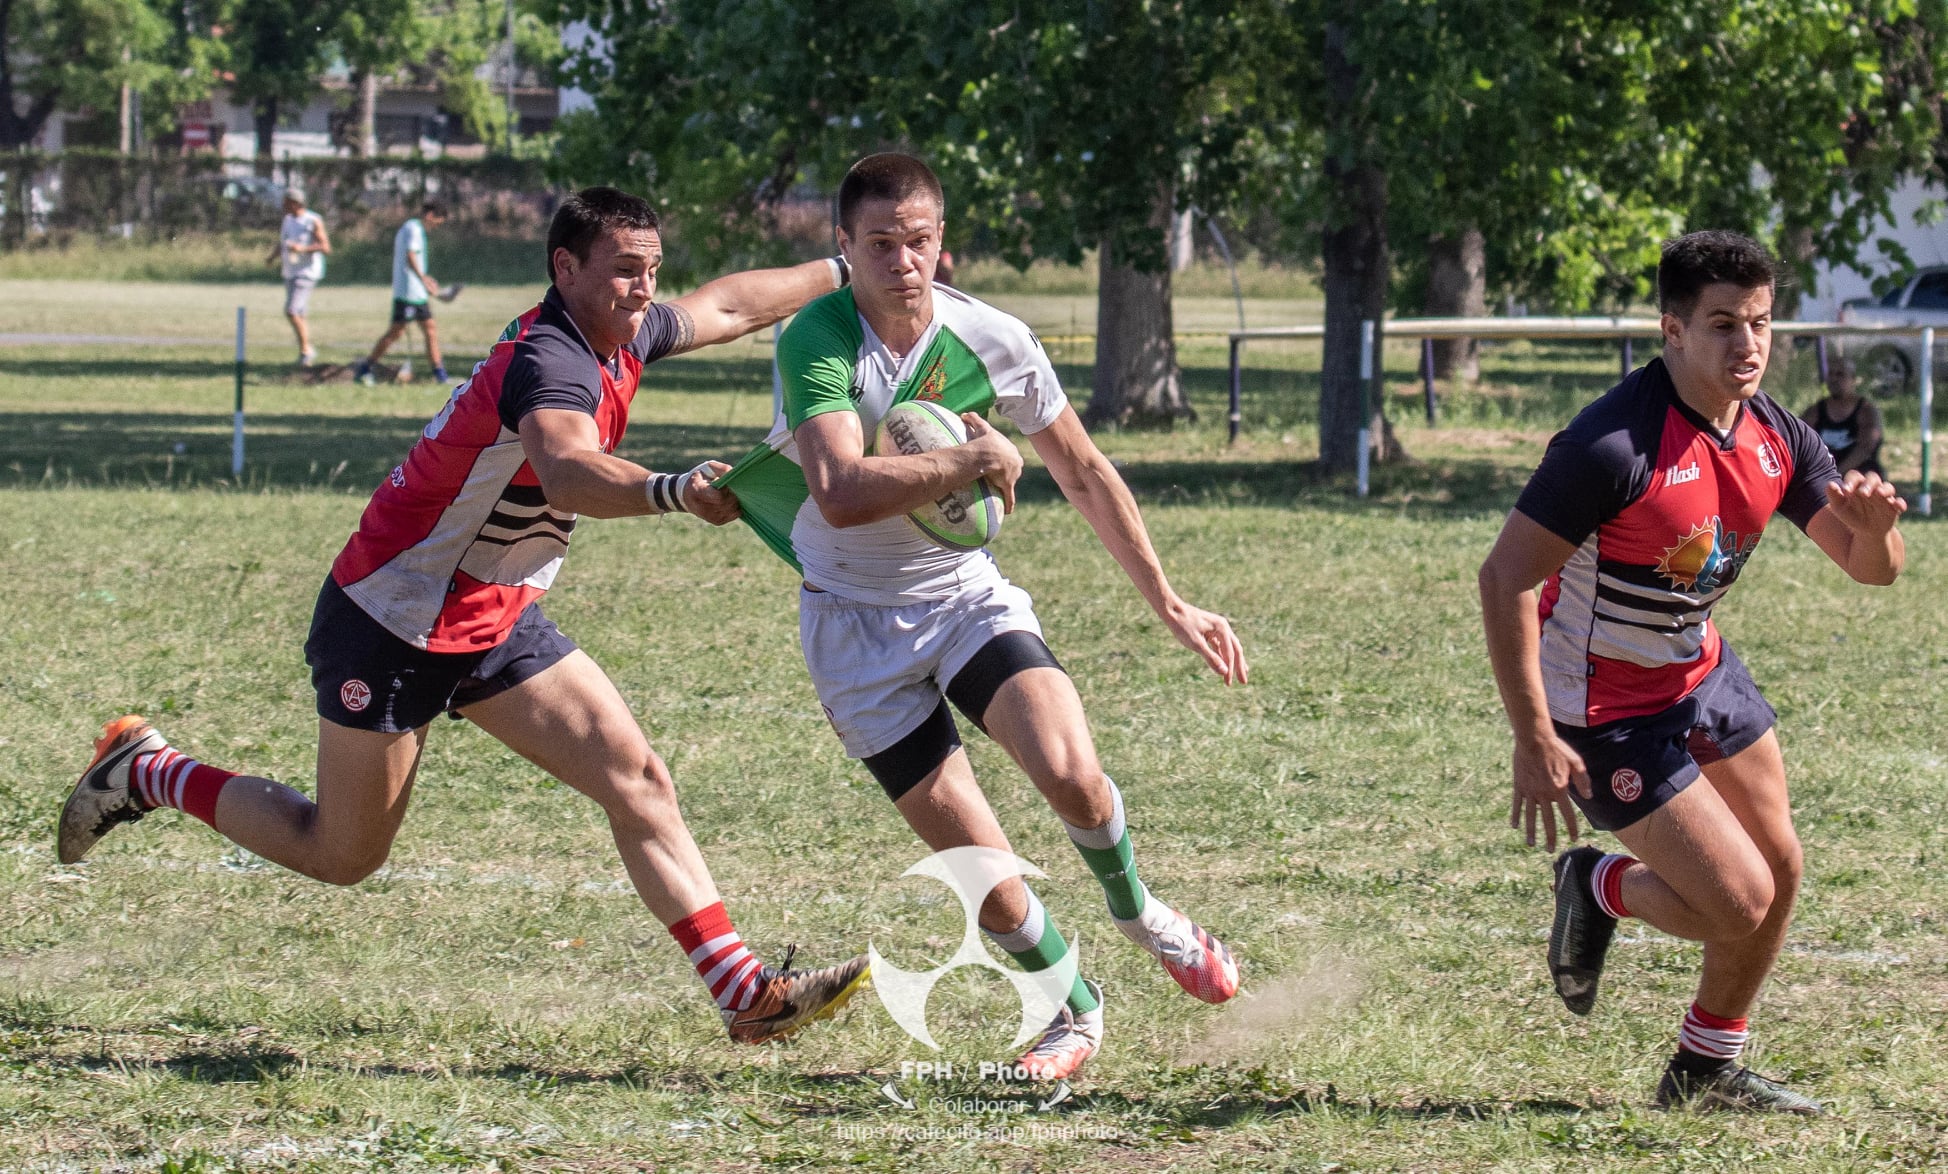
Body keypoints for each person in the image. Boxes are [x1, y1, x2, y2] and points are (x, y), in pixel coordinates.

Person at [60, 187, 870, 1046]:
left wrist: (848, 267)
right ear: (565, 268)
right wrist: (671, 489)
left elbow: (729, 306)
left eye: (653, 270)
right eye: (626, 271)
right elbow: (567, 471)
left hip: (493, 610)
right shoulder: (551, 361)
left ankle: (744, 993)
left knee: (635, 777)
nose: (644, 290)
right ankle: (150, 771)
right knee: (342, 852)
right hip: (392, 619)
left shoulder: (621, 331)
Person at [718, 154, 1247, 1081]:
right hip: (851, 624)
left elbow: (1083, 470)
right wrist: (972, 461)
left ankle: (1140, 912)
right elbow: (839, 492)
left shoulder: (993, 338)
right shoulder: (818, 338)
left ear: (941, 243)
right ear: (844, 246)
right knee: (987, 877)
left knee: (1075, 778)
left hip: (963, 597)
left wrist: (1168, 598)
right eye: (879, 243)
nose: (902, 262)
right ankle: (1073, 1008)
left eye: (917, 241)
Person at [1478, 230, 1907, 1114]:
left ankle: (1705, 1068)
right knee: (1738, 901)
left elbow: (1870, 570)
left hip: (1697, 669)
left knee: (1780, 866)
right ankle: (1595, 884)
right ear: (1672, 329)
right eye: (1722, 325)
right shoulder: (1610, 447)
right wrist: (1532, 734)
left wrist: (1875, 531)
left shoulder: (1775, 433)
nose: (1748, 345)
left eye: (1761, 323)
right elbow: (1504, 578)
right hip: (1603, 708)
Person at [355, 200, 450, 386]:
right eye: (437, 223)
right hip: (408, 292)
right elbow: (410, 256)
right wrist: (423, 279)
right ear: (430, 215)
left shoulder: (414, 229)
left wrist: (425, 281)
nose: (435, 227)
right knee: (396, 333)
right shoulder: (413, 229)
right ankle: (365, 368)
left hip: (416, 293)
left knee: (430, 329)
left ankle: (440, 375)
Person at [268, 188, 330, 367]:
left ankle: (305, 351)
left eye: (286, 202)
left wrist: (303, 249)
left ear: (296, 203)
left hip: (306, 273)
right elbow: (283, 243)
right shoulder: (287, 220)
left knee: (292, 311)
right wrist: (272, 257)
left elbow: (325, 247)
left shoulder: (312, 220)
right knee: (300, 314)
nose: (283, 205)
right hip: (290, 271)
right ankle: (306, 350)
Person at [1800, 354, 1885, 478]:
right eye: (1831, 374)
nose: (1834, 379)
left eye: (1840, 374)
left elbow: (1865, 448)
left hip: (1858, 477)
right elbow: (1801, 445)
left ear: (1853, 379)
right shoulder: (1814, 412)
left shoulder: (1866, 411)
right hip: (1823, 477)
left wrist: (1836, 474)